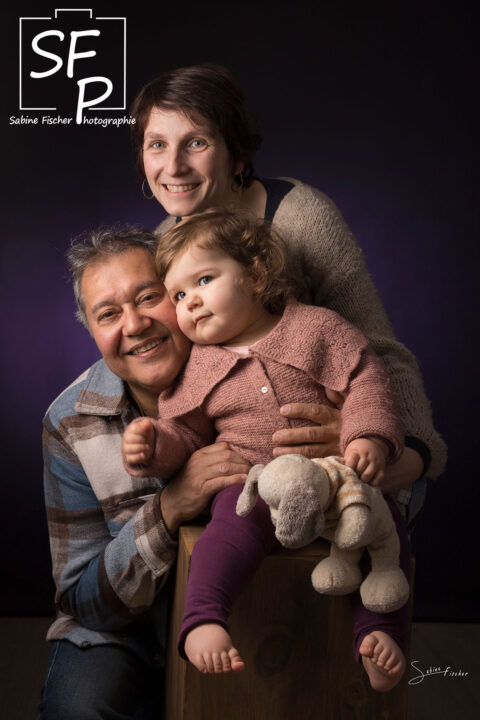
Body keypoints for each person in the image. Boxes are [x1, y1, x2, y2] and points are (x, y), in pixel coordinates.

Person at [122, 208, 408, 686]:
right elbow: (187, 434)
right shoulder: (197, 365)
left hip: (334, 478)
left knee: (385, 527)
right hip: (254, 487)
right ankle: (205, 617)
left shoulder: (318, 328)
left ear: (255, 274)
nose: (190, 302)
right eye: (178, 295)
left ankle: (379, 634)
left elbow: (367, 382)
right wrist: (156, 444)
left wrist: (368, 436)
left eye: (205, 279)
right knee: (225, 532)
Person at [130, 62, 446, 491]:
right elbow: (170, 371)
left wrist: (403, 450)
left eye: (196, 142)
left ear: (236, 153)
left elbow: (376, 351)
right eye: (156, 145)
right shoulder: (163, 246)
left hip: (345, 457)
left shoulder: (301, 218)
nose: (173, 166)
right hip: (242, 476)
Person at [39, 227, 251, 719]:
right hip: (121, 631)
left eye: (149, 297)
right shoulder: (69, 421)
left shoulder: (253, 375)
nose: (134, 324)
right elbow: (82, 601)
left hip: (243, 619)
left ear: (179, 295)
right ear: (92, 331)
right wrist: (171, 508)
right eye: (108, 313)